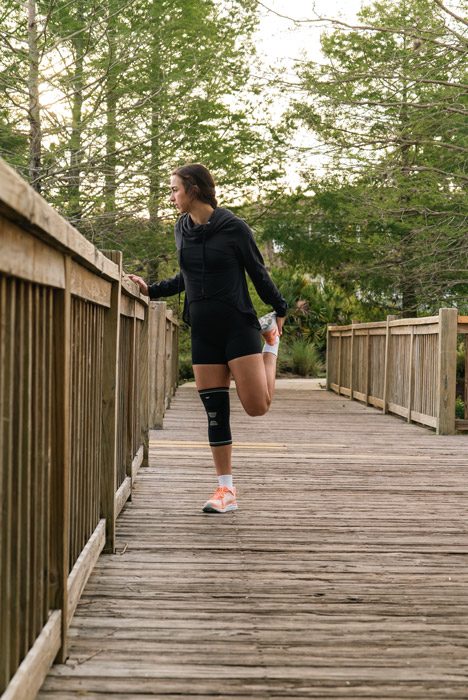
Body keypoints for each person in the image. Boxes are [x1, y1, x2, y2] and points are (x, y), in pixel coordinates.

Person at [129, 163, 287, 513]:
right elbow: (186, 276)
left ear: (194, 190)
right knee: (216, 414)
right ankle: (225, 491)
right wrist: (150, 289)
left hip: (237, 327)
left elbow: (258, 273)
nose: (171, 197)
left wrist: (280, 308)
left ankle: (270, 345)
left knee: (256, 407)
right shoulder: (181, 228)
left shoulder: (234, 228)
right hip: (203, 334)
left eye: (174, 190)